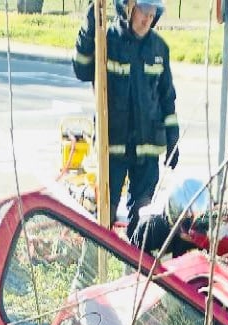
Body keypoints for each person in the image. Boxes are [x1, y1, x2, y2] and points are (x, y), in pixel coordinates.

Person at [72, 0, 179, 237]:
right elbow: (81, 69)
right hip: (113, 149)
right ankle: (95, 266)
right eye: (143, 12)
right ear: (128, 8)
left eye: (153, 14)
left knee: (142, 220)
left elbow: (166, 97)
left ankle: (135, 267)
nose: (147, 19)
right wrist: (89, 30)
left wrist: (173, 136)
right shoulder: (106, 40)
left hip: (148, 150)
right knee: (103, 216)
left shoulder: (160, 49)